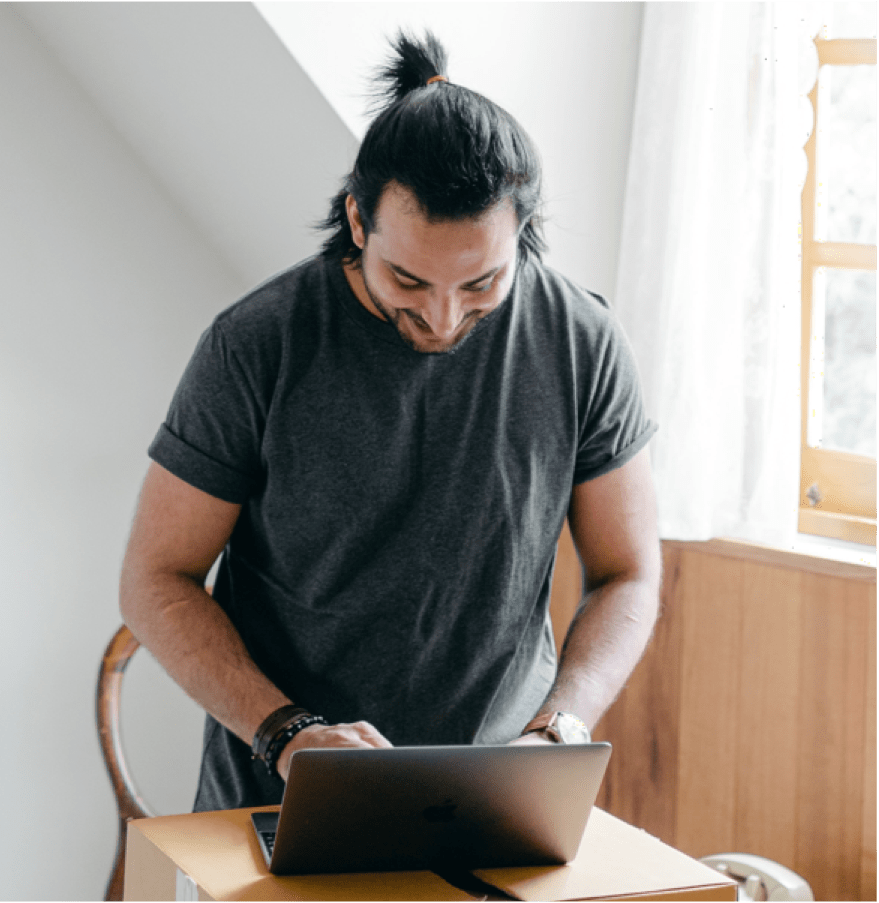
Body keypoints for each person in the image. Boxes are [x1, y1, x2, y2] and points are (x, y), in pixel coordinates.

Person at [120, 32, 661, 813]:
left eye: (481, 282)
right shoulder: (257, 343)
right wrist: (284, 733)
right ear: (356, 219)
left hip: (495, 799)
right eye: (408, 278)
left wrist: (559, 729)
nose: (442, 317)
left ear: (522, 230)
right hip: (278, 794)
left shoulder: (583, 341)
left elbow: (628, 572)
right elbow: (154, 579)